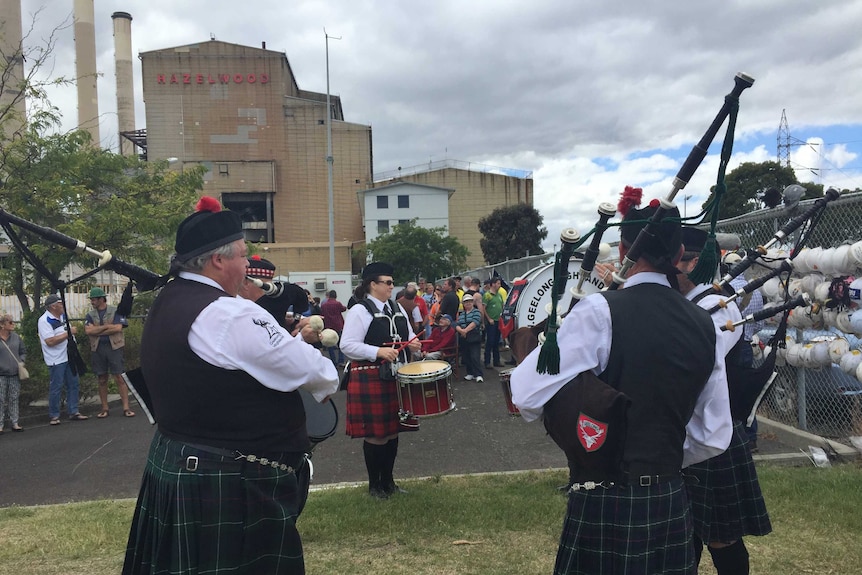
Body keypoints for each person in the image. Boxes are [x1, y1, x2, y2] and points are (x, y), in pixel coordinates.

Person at [511, 195, 732, 575]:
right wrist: (659, 460)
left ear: (625, 249)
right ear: (680, 252)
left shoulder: (599, 310)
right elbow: (713, 434)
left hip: (605, 495)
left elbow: (526, 394)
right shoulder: (706, 323)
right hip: (669, 495)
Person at [122, 196, 338, 575]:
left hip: (179, 461)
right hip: (229, 479)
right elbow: (320, 375)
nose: (247, 267)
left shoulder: (169, 298)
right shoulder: (230, 314)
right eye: (242, 256)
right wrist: (298, 343)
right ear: (218, 260)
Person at [677, 228, 771, 575]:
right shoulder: (682, 303)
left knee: (721, 536)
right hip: (678, 432)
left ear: (696, 264)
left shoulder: (722, 304)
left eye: (678, 261)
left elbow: (696, 357)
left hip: (712, 433)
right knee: (680, 534)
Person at [340, 262, 422, 499]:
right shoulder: (360, 310)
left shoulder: (397, 308)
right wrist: (377, 351)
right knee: (376, 434)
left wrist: (413, 345)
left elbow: (407, 337)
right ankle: (374, 486)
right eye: (387, 282)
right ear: (372, 285)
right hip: (370, 376)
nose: (391, 286)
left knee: (393, 431)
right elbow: (347, 345)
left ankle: (389, 482)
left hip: (396, 376)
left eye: (391, 282)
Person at [38, 294, 89, 425]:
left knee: (73, 384)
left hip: (69, 356)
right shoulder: (45, 321)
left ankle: (73, 411)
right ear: (53, 306)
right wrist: (68, 333)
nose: (63, 305)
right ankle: (54, 415)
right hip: (56, 359)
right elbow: (50, 341)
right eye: (60, 303)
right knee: (56, 386)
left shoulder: (63, 317)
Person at [84, 287, 135, 419]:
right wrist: (107, 327)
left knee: (119, 377)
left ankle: (126, 407)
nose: (92, 302)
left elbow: (118, 328)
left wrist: (98, 329)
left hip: (114, 347)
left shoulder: (115, 311)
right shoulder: (90, 314)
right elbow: (88, 331)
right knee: (101, 378)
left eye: (94, 299)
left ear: (101, 299)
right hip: (98, 348)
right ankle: (104, 408)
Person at [0, 314, 25, 433]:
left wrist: (22, 361)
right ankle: (0, 424)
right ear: (2, 325)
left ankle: (15, 422)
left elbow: (23, 351)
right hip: (1, 374)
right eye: (10, 322)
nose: (13, 324)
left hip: (15, 373)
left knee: (14, 398)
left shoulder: (16, 337)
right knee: (0, 399)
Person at [455, 294, 484, 382]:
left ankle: (478, 374)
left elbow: (475, 322)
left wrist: (465, 331)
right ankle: (470, 373)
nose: (468, 303)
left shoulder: (476, 312)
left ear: (472, 302)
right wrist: (461, 331)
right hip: (464, 338)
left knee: (475, 356)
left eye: (469, 301)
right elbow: (457, 324)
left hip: (474, 337)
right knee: (466, 356)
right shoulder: (462, 314)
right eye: (466, 302)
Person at [320, 289, 347, 366]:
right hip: (338, 325)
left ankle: (333, 361)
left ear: (328, 296)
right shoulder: (337, 303)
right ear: (336, 296)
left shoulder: (324, 305)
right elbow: (343, 309)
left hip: (328, 326)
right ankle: (341, 361)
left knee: (330, 345)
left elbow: (322, 313)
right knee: (340, 344)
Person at [483, 276, 504, 368]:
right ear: (493, 284)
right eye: (498, 283)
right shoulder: (487, 295)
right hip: (491, 322)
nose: (499, 285)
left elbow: (502, 305)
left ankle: (497, 361)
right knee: (490, 341)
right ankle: (487, 361)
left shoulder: (499, 295)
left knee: (496, 342)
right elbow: (483, 309)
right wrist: (488, 319)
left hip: (498, 320)